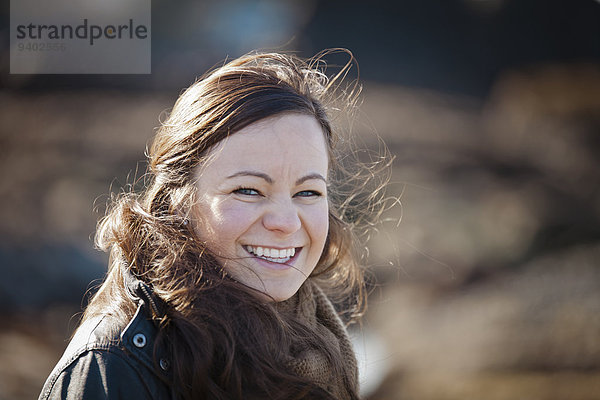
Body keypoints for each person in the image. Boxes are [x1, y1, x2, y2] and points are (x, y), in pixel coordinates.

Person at [39, 50, 389, 400]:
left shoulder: (321, 350)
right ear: (177, 200)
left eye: (308, 192)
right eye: (248, 190)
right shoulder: (113, 367)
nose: (284, 222)